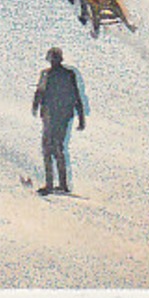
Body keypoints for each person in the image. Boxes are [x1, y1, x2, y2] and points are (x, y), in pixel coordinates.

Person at [31, 47, 88, 195]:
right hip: (58, 116)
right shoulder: (66, 74)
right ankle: (60, 184)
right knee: (57, 148)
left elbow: (75, 95)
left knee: (49, 148)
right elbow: (39, 93)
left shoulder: (51, 74)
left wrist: (81, 117)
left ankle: (52, 184)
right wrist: (80, 117)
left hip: (54, 116)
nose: (53, 61)